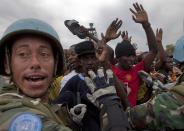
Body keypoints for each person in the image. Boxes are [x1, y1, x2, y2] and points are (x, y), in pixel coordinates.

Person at [0, 18, 76, 131]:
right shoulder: (16, 117)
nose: (35, 63)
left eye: (44, 54)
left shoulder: (42, 102)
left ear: (56, 63)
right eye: (23, 54)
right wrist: (108, 104)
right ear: (7, 64)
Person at [110, 3, 158, 106]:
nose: (131, 59)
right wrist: (105, 39)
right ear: (118, 58)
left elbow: (153, 50)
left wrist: (146, 25)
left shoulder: (136, 70)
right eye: (127, 56)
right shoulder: (111, 70)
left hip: (132, 116)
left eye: (132, 56)